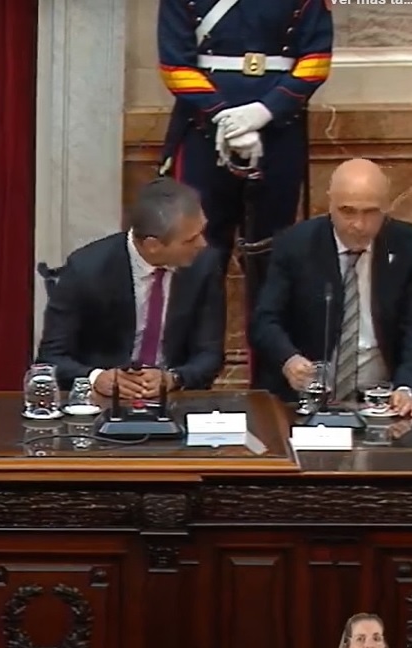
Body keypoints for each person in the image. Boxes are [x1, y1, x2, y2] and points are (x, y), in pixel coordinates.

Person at [156, 0, 333, 270]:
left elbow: (316, 59)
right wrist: (222, 117)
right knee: (197, 247)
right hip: (203, 130)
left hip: (278, 131)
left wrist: (265, 111)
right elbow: (174, 64)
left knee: (273, 249)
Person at [37, 177, 225, 399]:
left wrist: (173, 378)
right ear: (152, 245)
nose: (202, 244)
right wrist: (96, 378)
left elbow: (210, 355)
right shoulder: (86, 270)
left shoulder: (204, 265)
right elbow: (51, 358)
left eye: (202, 232)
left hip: (173, 399)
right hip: (103, 401)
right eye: (190, 239)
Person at [249, 159, 412, 414]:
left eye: (370, 212)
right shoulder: (295, 245)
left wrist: (406, 386)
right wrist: (289, 359)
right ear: (330, 204)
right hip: (308, 401)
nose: (359, 224)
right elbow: (264, 321)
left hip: (383, 401)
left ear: (386, 207)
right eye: (348, 211)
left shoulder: (406, 246)